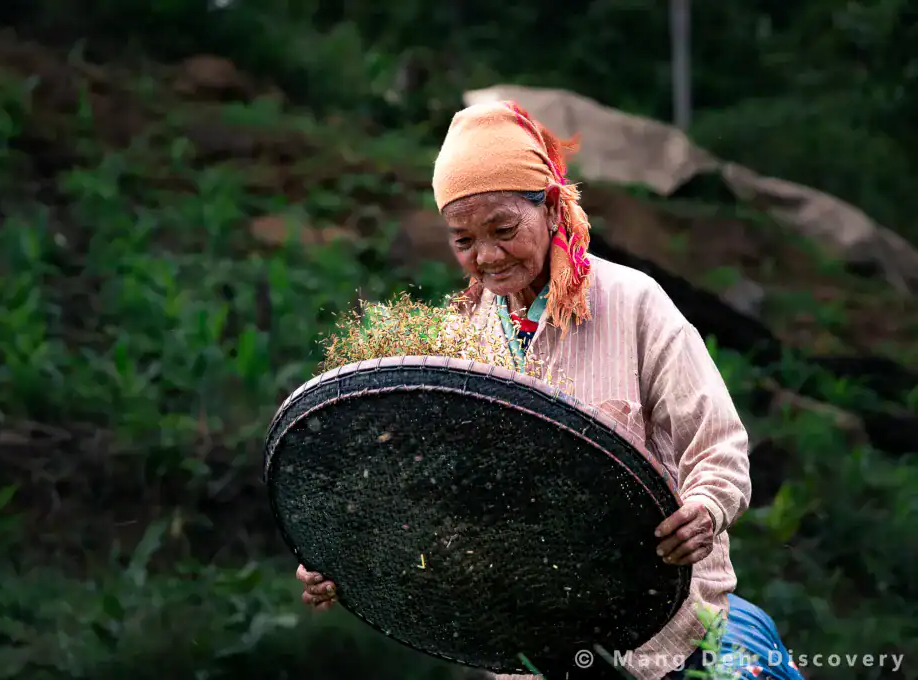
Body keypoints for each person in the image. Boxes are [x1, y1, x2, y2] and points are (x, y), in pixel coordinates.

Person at [296, 101, 804, 680]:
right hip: (531, 638)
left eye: (504, 230)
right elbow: (429, 491)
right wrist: (348, 556)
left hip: (660, 630)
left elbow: (718, 446)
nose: (486, 256)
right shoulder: (461, 338)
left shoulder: (633, 303)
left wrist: (705, 509)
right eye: (463, 240)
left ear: (553, 207)